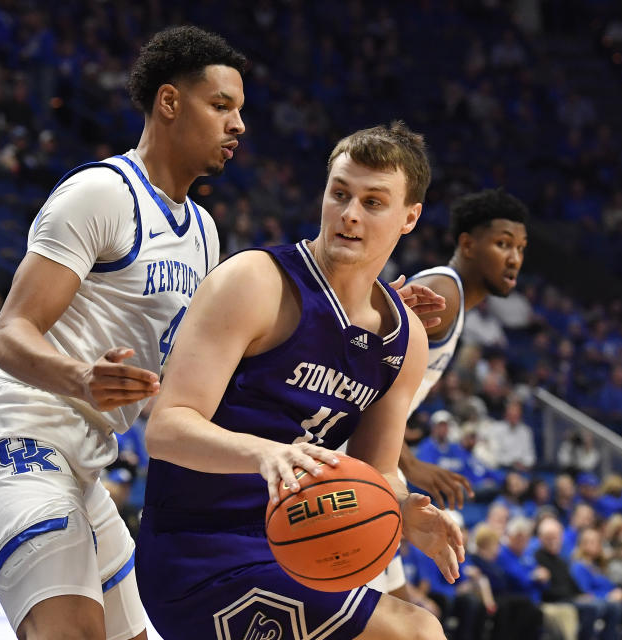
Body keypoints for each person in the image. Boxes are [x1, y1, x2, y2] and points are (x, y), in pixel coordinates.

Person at [0, 26, 246, 640]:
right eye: (221, 106)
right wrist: (81, 375)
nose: (237, 124)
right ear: (169, 102)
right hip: (18, 433)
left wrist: (356, 313)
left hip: (84, 463)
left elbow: (204, 376)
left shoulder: (206, 233)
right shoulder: (102, 193)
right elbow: (9, 333)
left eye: (239, 110)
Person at [137, 123, 463, 640]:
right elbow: (166, 429)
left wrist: (403, 508)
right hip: (197, 551)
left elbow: (377, 470)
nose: (350, 214)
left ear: (410, 218)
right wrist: (264, 453)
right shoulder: (256, 281)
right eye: (340, 194)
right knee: (416, 633)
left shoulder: (407, 339)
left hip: (301, 549)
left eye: (374, 202)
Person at [398, 187, 529, 507]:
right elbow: (360, 379)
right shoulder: (444, 295)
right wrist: (409, 463)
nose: (515, 258)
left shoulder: (452, 300)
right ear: (468, 244)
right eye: (503, 244)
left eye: (521, 248)